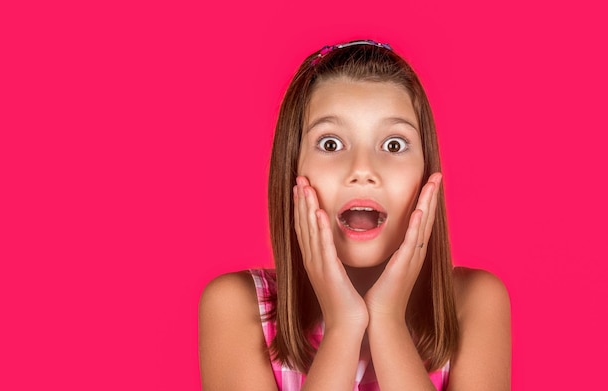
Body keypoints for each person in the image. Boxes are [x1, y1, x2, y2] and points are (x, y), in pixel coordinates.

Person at [199, 40, 510, 390]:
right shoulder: (237, 306)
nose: (362, 170)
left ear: (426, 173)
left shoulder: (473, 302)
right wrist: (343, 324)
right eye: (330, 144)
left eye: (394, 145)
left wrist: (387, 320)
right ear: (292, 169)